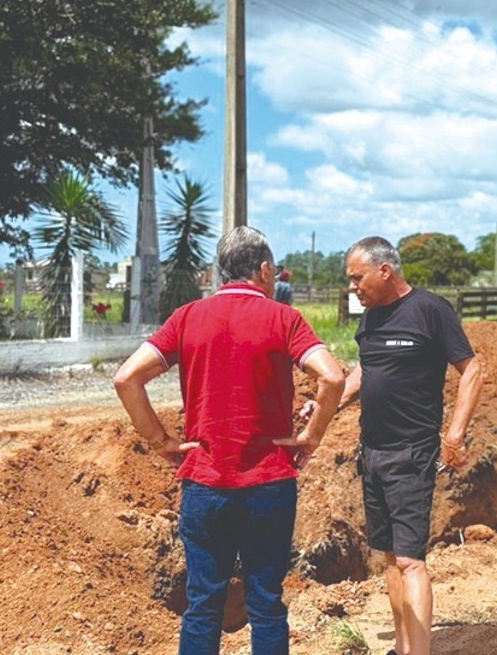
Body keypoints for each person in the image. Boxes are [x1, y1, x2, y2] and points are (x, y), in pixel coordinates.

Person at [113, 226, 344, 655]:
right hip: (270, 484)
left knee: (203, 606)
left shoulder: (187, 318)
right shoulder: (284, 318)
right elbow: (331, 376)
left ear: (222, 271)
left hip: (205, 483)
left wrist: (161, 441)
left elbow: (127, 378)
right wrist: (310, 437)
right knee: (267, 605)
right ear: (264, 269)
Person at [341, 236, 483, 655]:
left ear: (385, 271)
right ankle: (403, 648)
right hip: (372, 453)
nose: (352, 287)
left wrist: (454, 434)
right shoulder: (370, 318)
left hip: (411, 453)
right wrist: (329, 402)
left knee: (409, 560)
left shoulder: (430, 310)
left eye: (357, 277)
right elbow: (366, 370)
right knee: (389, 557)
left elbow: (472, 369)